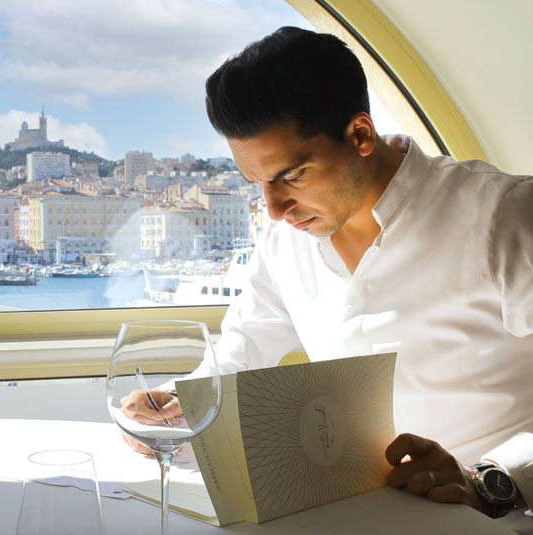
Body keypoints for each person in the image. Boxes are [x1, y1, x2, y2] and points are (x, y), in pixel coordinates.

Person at [121, 27, 533, 519]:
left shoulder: (507, 216)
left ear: (360, 134)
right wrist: (178, 404)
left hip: (491, 519)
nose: (273, 208)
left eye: (292, 177)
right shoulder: (284, 240)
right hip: (344, 515)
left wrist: (492, 480)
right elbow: (244, 347)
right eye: (256, 183)